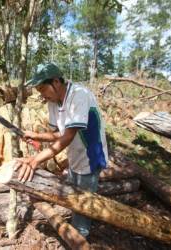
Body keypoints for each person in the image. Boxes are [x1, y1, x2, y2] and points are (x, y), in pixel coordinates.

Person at [15, 63, 108, 238]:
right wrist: (36, 136)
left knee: (84, 202)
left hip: (91, 156)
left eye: (43, 89)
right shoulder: (53, 102)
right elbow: (59, 133)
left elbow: (67, 137)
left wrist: (36, 160)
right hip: (75, 156)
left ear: (56, 82)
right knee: (75, 194)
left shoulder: (79, 96)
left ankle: (80, 238)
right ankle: (77, 227)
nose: (41, 95)